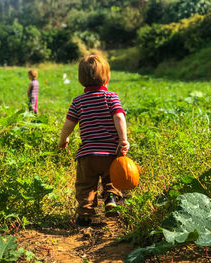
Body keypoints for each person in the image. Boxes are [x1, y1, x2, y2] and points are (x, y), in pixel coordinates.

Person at [58, 55, 129, 227]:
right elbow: (119, 117)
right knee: (111, 179)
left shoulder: (78, 101)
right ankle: (111, 198)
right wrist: (123, 139)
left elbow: (69, 124)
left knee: (85, 185)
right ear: (107, 77)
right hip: (110, 152)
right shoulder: (111, 97)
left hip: (88, 154)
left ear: (81, 80)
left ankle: (85, 214)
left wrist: (63, 139)